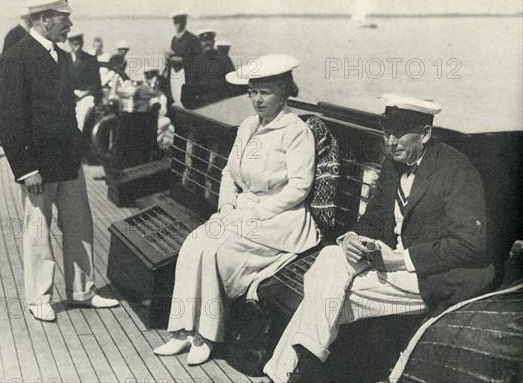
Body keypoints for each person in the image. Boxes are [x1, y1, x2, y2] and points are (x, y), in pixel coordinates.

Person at [263, 94, 496, 383]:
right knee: (331, 258)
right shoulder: (393, 165)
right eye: (386, 131)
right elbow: (372, 220)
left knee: (325, 293)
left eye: (399, 132)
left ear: (425, 133)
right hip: (393, 263)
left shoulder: (455, 169)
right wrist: (350, 239)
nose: (390, 140)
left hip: (434, 276)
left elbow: (471, 243)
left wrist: (399, 260)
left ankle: (285, 373)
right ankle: (297, 372)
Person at [153, 55, 320, 366]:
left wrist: (255, 214)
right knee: (194, 243)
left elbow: (299, 188)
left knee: (216, 251)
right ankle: (182, 331)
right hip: (240, 210)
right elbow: (229, 173)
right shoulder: (247, 126)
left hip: (281, 220)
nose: (256, 99)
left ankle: (207, 335)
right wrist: (227, 205)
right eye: (252, 92)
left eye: (265, 92)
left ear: (283, 92)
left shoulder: (296, 131)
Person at [0, 0, 118, 323]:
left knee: (79, 224)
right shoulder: (16, 58)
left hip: (68, 161)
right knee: (38, 229)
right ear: (45, 19)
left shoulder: (61, 56)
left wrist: (79, 149)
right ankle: (39, 297)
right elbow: (9, 120)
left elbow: (67, 112)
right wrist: (26, 169)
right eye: (64, 18)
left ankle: (82, 291)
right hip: (37, 166)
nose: (70, 23)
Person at [67, 32, 101, 132]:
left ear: (82, 43)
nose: (76, 46)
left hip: (86, 96)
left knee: (82, 112)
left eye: (79, 43)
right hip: (69, 95)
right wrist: (71, 93)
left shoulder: (90, 60)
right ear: (69, 43)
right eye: (74, 43)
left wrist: (84, 93)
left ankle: (76, 139)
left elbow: (97, 84)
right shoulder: (64, 59)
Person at [190, 29, 235, 104]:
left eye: (209, 40)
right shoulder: (197, 62)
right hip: (203, 102)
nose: (207, 43)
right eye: (204, 41)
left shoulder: (224, 58)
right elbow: (192, 84)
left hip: (221, 100)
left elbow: (232, 82)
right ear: (200, 43)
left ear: (213, 42)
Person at [167, 12, 202, 85]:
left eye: (180, 22)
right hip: (177, 76)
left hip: (190, 76)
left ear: (185, 23)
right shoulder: (174, 39)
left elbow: (197, 59)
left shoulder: (193, 39)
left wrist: (175, 58)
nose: (177, 25)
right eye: (175, 22)